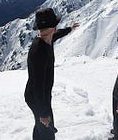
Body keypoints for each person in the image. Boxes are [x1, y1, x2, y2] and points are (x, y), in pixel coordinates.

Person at [24, 8, 79, 140]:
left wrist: (69, 29)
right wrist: (43, 113)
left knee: (41, 126)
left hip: (38, 95)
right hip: (37, 97)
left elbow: (57, 34)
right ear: (51, 27)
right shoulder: (39, 51)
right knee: (47, 131)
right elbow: (38, 85)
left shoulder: (46, 38)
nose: (56, 27)